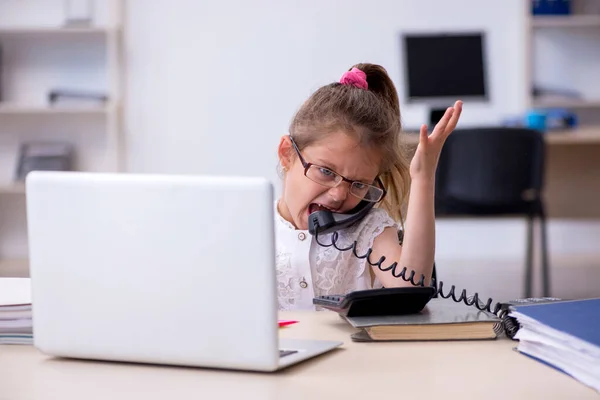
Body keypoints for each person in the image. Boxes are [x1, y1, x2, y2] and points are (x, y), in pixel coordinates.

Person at [275, 63, 462, 311]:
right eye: (326, 171)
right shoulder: (252, 228)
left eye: (360, 184)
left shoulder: (368, 229)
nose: (339, 194)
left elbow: (409, 290)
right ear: (287, 154)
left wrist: (423, 178)